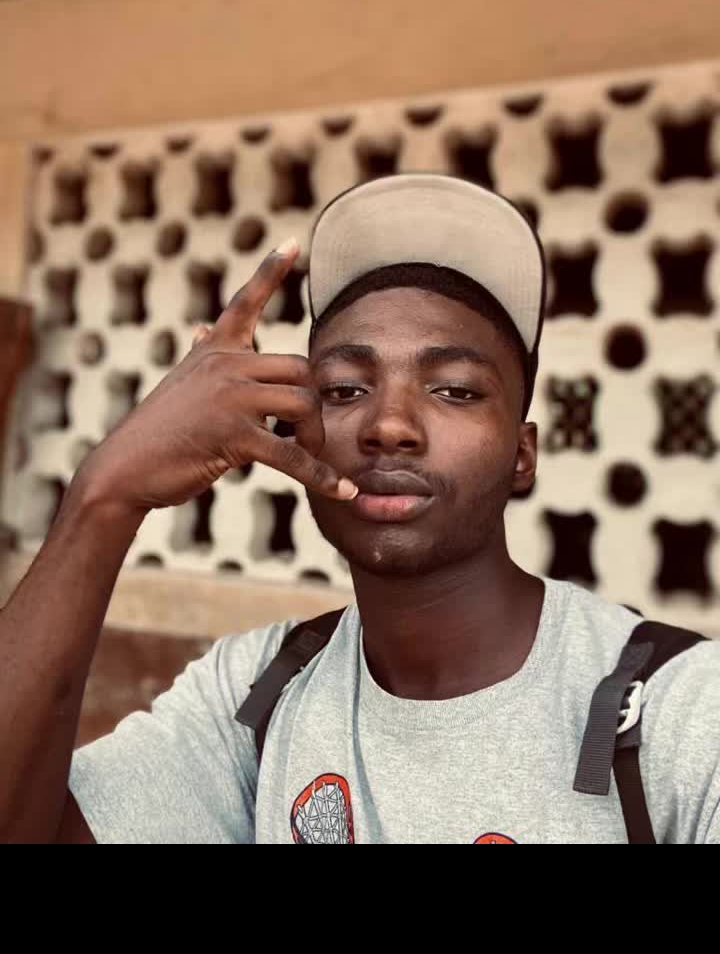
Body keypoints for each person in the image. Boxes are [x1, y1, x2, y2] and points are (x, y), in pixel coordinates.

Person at [1, 174, 718, 844]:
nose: (389, 425)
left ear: (522, 454)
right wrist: (105, 497)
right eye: (344, 389)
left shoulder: (681, 711)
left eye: (455, 389)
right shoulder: (257, 693)